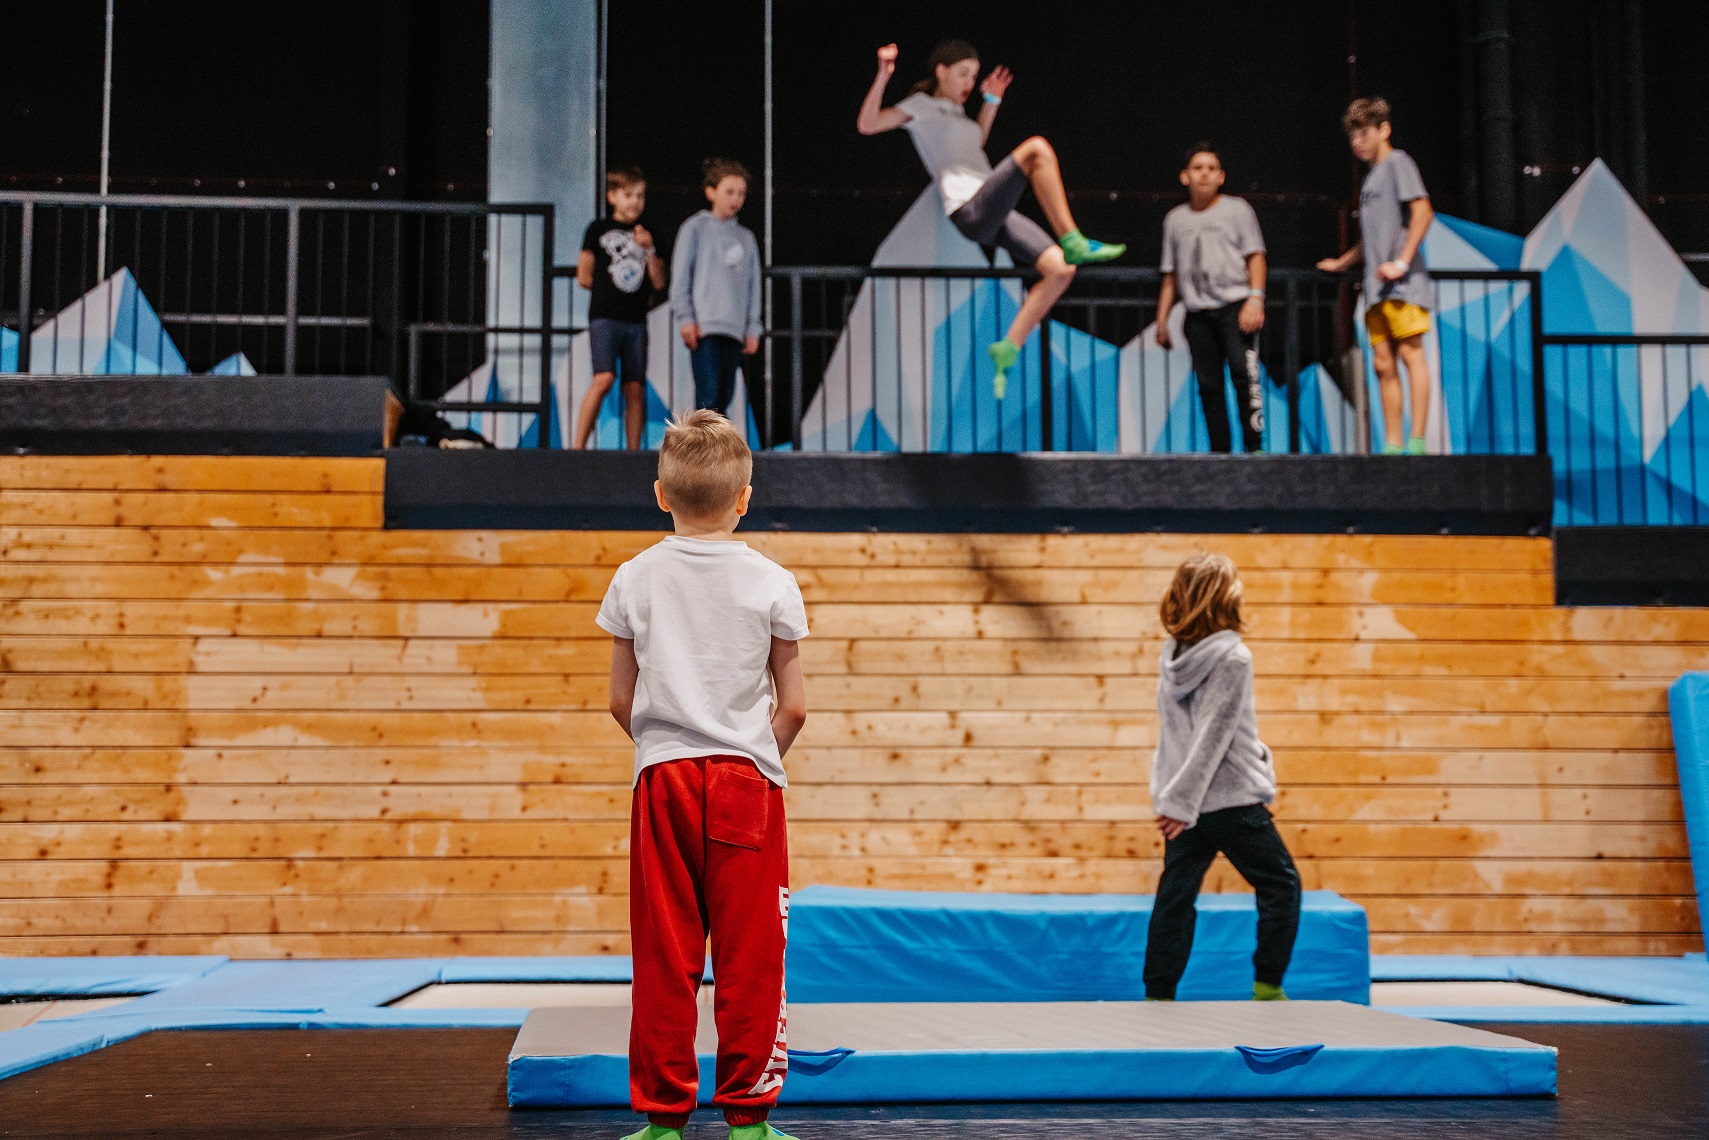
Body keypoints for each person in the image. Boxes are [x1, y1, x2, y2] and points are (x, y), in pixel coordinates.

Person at [598, 410, 809, 1140]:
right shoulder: (772, 580)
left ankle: (662, 1119)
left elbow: (620, 700)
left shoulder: (634, 578)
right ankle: (748, 1119)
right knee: (752, 953)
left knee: (666, 950)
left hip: (664, 779)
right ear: (744, 497)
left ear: (661, 493)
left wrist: (665, 742)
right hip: (746, 780)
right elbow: (796, 707)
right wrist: (751, 748)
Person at [857, 40, 1126, 399]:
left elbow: (975, 145)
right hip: (969, 208)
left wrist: (991, 101)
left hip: (992, 209)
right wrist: (883, 74)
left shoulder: (959, 118)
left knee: (1060, 270)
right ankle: (1073, 238)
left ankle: (1008, 347)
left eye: (974, 76)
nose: (969, 82)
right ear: (941, 71)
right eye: (963, 73)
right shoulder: (922, 107)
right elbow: (868, 124)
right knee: (1037, 149)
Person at [1144, 553, 1301, 1002]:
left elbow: (1179, 738)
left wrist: (1172, 800)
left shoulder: (1174, 655)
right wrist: (1182, 802)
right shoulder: (1233, 657)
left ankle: (1158, 994)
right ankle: (1268, 986)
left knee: (1176, 895)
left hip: (1184, 800)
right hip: (1227, 799)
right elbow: (1213, 736)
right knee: (1281, 884)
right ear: (1226, 596)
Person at [1317, 97, 1437, 455]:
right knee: (1383, 364)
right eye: (1353, 135)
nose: (1357, 142)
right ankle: (1393, 444)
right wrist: (1342, 262)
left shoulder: (1399, 163)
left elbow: (1423, 212)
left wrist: (1401, 262)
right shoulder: (1370, 180)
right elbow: (1370, 240)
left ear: (1384, 130)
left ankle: (1416, 440)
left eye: (1364, 133)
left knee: (1410, 355)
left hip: (1402, 284)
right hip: (1375, 289)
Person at [1155, 145, 1268, 453]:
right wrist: (1162, 319)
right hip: (1197, 314)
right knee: (1209, 387)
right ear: (1184, 176)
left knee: (1244, 377)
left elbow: (1256, 256)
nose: (1203, 173)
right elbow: (1171, 274)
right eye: (1197, 167)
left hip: (1236, 307)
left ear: (1221, 177)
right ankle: (1220, 455)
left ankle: (1254, 448)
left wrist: (1255, 299)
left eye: (1210, 168)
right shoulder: (1175, 220)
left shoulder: (1238, 209)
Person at [575, 166, 668, 450]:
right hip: (605, 317)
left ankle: (633, 452)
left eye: (640, 195)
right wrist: (609, 289)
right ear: (612, 196)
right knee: (603, 378)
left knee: (635, 387)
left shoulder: (650, 233)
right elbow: (584, 275)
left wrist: (649, 249)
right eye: (628, 195)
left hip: (636, 320)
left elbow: (659, 281)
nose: (635, 201)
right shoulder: (598, 229)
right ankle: (576, 448)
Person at [671, 159, 763, 417]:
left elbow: (754, 284)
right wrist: (687, 318)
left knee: (725, 396)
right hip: (705, 326)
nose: (736, 199)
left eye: (741, 193)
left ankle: (716, 455)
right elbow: (680, 277)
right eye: (730, 192)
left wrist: (752, 327)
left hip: (733, 328)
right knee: (708, 395)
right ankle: (703, 456)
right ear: (711, 192)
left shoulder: (746, 237)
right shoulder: (694, 229)